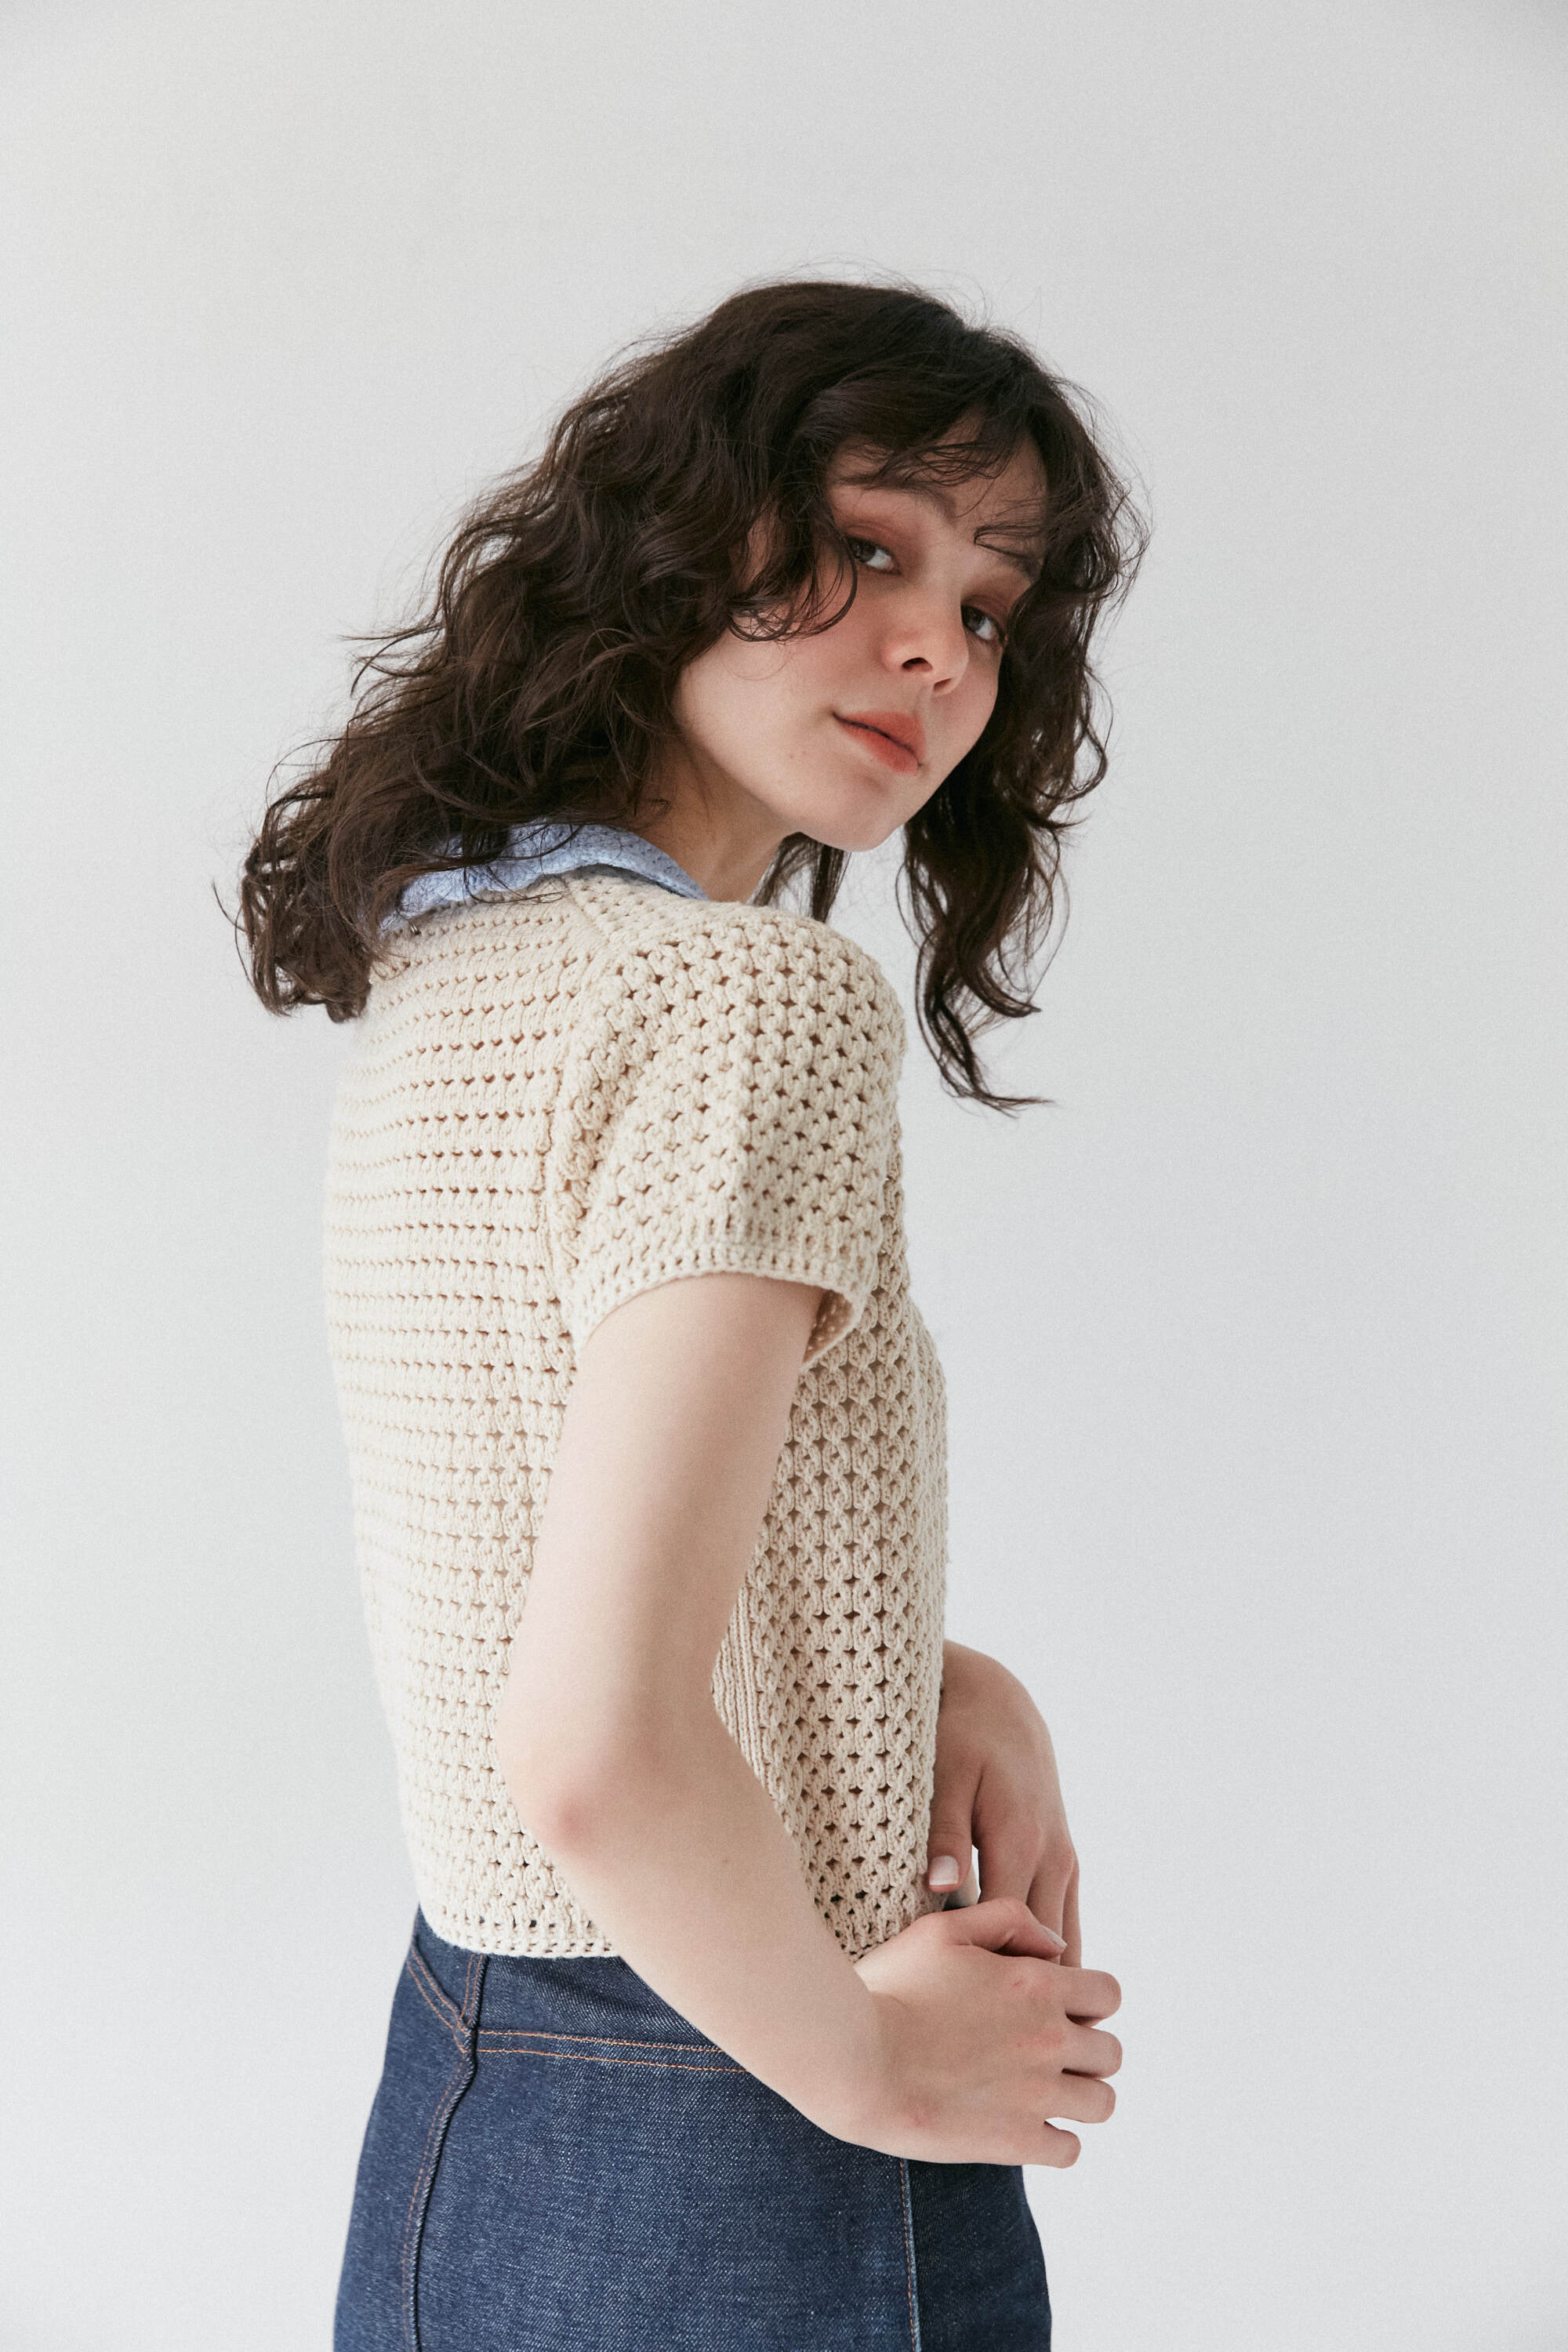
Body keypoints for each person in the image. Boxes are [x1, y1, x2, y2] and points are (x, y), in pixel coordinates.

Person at [238, 277, 1145, 2350]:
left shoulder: (459, 969)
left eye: (990, 607)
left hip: (471, 2083)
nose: (940, 648)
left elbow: (543, 1574)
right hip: (738, 2104)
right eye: (872, 548)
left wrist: (936, 1676)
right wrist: (872, 2064)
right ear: (679, 537)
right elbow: (597, 1750)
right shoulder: (751, 999)